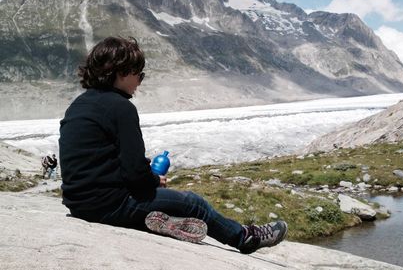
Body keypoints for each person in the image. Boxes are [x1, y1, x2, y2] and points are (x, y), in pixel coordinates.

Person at [59, 36, 287, 254]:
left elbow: (98, 162)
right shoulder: (121, 108)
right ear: (121, 72)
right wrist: (154, 180)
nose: (140, 81)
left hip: (78, 205)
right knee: (194, 203)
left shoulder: (78, 105)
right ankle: (245, 237)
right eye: (139, 74)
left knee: (160, 199)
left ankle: (160, 222)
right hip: (109, 205)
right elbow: (134, 173)